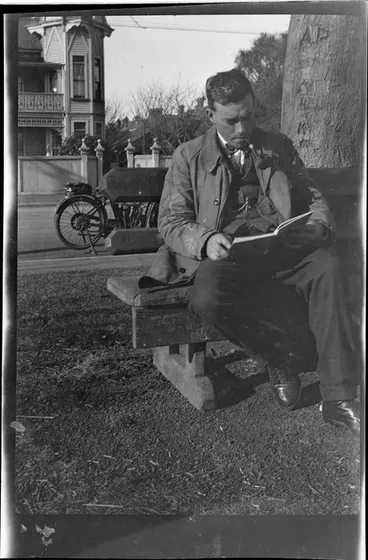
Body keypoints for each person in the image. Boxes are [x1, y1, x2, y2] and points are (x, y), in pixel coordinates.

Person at [139, 69, 360, 439]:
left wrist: (319, 226)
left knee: (328, 269)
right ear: (210, 114)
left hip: (282, 247)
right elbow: (171, 222)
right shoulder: (187, 156)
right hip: (227, 258)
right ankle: (278, 358)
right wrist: (205, 240)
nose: (243, 128)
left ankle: (338, 398)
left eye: (249, 117)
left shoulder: (279, 146)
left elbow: (312, 196)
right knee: (207, 297)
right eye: (232, 120)